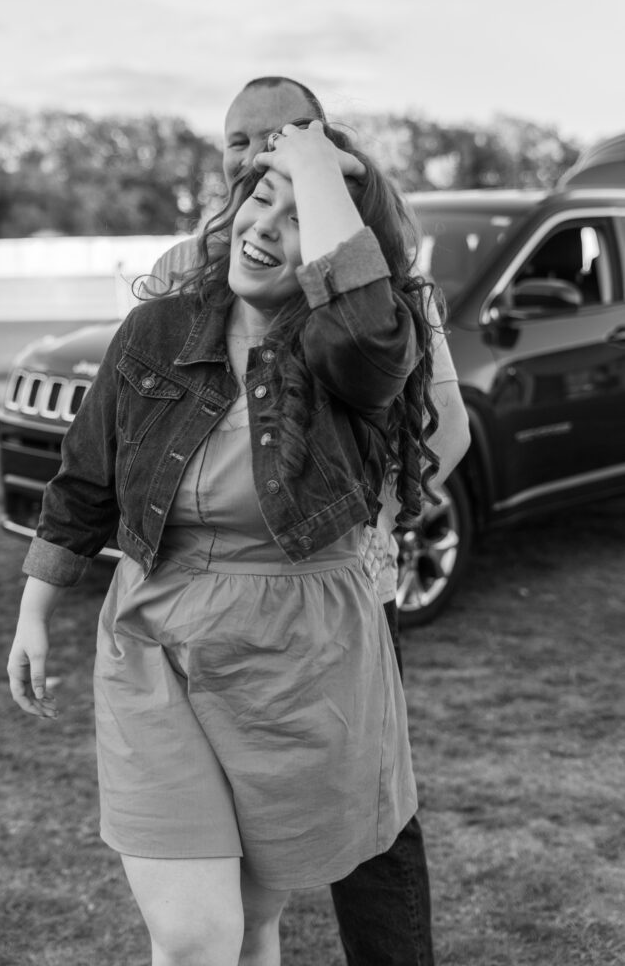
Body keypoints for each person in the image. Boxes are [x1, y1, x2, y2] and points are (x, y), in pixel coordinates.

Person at [7, 118, 440, 966]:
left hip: (300, 656)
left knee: (252, 917)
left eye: (296, 218)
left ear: (336, 249)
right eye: (256, 201)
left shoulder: (352, 350)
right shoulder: (160, 331)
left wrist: (316, 161)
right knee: (196, 936)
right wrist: (35, 608)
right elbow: (86, 477)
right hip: (158, 640)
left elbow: (363, 329)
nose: (261, 229)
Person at [148, 76, 470, 966]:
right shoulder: (184, 265)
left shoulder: (385, 273)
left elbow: (443, 431)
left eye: (280, 136)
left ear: (324, 145)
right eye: (237, 141)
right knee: (232, 835)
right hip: (203, 606)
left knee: (368, 815)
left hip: (332, 591)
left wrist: (360, 519)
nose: (254, 156)